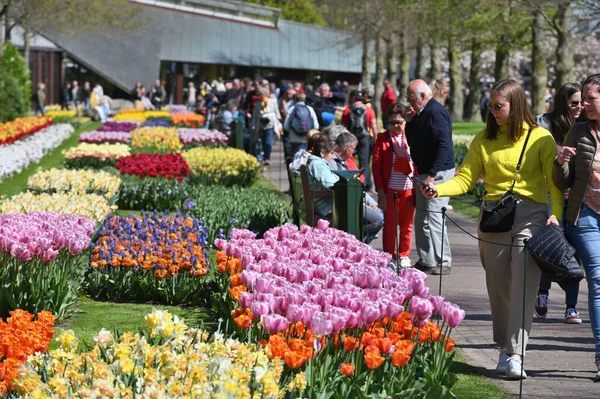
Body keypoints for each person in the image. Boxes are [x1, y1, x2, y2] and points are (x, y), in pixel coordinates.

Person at [422, 79, 562, 380]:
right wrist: (439, 189)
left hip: (532, 217)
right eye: (491, 105)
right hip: (494, 218)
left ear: (516, 105)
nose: (493, 111)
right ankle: (502, 347)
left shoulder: (541, 138)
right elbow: (466, 179)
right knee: (498, 289)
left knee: (523, 285)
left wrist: (556, 216)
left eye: (499, 106)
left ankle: (515, 353)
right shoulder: (483, 140)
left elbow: (553, 183)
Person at [554, 73, 600, 382]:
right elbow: (563, 181)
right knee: (597, 279)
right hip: (585, 216)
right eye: (582, 98)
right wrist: (561, 162)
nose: (584, 103)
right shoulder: (578, 131)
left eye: (590, 98)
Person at [534, 82, 585, 324]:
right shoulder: (545, 125)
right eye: (574, 102)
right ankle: (542, 293)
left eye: (582, 102)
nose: (579, 107)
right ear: (563, 102)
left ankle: (571, 306)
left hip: (576, 197)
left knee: (574, 253)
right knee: (552, 246)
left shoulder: (586, 126)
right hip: (551, 194)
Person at [405, 79, 454, 275]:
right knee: (422, 218)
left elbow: (445, 145)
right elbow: (413, 140)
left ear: (422, 96)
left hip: (437, 173)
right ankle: (427, 259)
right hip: (425, 172)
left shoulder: (434, 112)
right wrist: (410, 122)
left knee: (434, 217)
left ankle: (444, 261)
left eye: (410, 98)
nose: (408, 102)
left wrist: (432, 175)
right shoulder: (422, 113)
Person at [373, 103, 416, 269]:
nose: (396, 126)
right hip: (391, 187)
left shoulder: (411, 137)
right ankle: (389, 255)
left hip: (409, 187)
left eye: (399, 122)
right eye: (392, 122)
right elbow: (376, 166)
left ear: (405, 121)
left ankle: (404, 255)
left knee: (407, 224)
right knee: (390, 224)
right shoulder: (382, 139)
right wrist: (381, 191)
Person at [341, 90, 378, 192]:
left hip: (350, 139)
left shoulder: (347, 110)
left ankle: (350, 182)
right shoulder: (369, 110)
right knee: (364, 162)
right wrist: (376, 139)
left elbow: (342, 127)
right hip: (364, 138)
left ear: (352, 98)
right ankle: (365, 184)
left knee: (348, 160)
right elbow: (374, 126)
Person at [252, 87, 281, 166]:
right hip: (260, 124)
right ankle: (261, 158)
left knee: (268, 142)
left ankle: (267, 158)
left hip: (270, 124)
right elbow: (255, 115)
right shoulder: (258, 103)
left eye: (261, 95)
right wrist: (253, 125)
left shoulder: (273, 101)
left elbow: (276, 111)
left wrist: (279, 123)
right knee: (261, 142)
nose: (260, 96)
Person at [285, 92, 319, 156]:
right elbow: (316, 126)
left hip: (293, 139)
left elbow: (286, 126)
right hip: (307, 139)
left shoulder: (291, 109)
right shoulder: (310, 109)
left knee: (295, 159)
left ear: (295, 99)